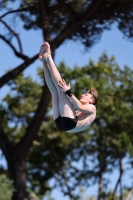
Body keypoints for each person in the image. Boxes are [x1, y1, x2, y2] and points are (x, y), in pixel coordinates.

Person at [39, 42, 98, 133]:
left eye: (86, 95)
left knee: (61, 89)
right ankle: (44, 62)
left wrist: (68, 92)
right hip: (62, 124)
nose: (83, 95)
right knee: (54, 91)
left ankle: (49, 57)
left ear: (92, 101)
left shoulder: (92, 108)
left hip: (70, 123)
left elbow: (80, 107)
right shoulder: (81, 110)